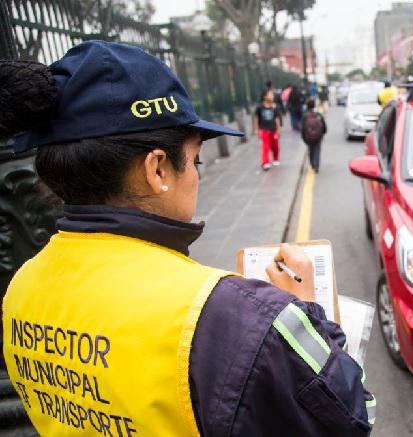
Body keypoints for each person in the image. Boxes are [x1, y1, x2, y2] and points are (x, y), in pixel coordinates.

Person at [0, 41, 375, 436]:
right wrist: (309, 312)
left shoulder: (20, 285)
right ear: (158, 169)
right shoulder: (239, 317)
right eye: (195, 160)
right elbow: (353, 415)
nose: (197, 174)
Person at [252, 89, 282, 170]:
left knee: (275, 146)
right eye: (270, 94)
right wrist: (256, 129)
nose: (272, 96)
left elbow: (277, 118)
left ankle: (275, 158)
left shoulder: (275, 107)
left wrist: (278, 129)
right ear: (265, 96)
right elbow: (256, 118)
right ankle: (265, 162)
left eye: (272, 95)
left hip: (273, 129)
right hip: (264, 130)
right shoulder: (259, 107)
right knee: (265, 146)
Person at [301, 100, 327, 173]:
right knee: (317, 150)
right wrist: (322, 134)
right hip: (318, 136)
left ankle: (312, 163)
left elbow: (302, 128)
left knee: (311, 150)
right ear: (314, 106)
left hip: (308, 137)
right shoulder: (318, 115)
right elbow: (324, 126)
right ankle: (316, 166)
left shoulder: (305, 116)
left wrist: (303, 137)